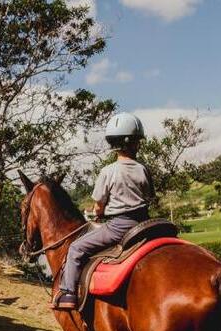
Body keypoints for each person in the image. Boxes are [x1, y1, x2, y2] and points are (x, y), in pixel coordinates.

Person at [53, 112, 154, 310]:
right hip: (145, 224)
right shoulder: (143, 169)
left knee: (75, 248)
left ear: (113, 143)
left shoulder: (108, 172)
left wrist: (98, 212)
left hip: (118, 227)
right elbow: (149, 196)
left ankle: (68, 294)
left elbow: (99, 206)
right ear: (134, 142)